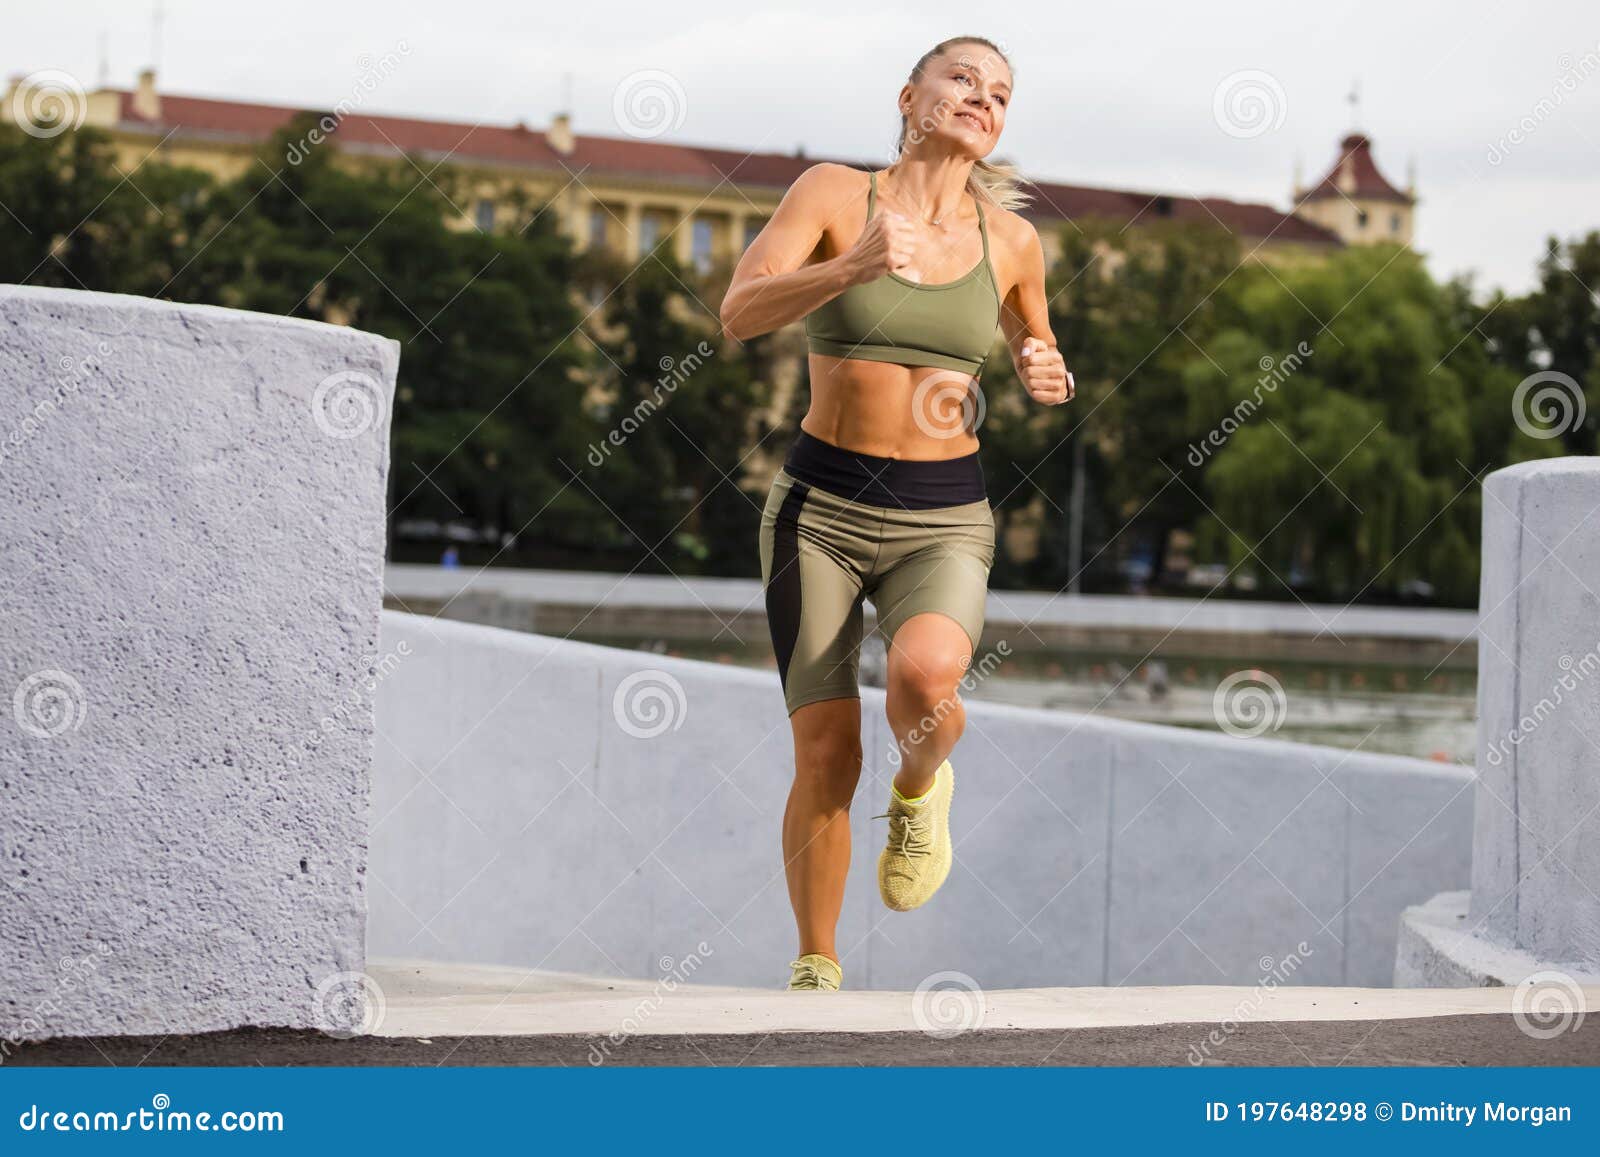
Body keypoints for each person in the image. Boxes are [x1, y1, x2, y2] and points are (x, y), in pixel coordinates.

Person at [718, 35, 1074, 991]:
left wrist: (1047, 366)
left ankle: (920, 791)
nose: (983, 98)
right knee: (827, 750)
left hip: (942, 514)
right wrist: (853, 266)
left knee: (926, 678)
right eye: (965, 78)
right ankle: (818, 962)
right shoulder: (835, 195)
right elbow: (739, 311)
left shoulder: (1012, 241)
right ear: (911, 95)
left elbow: (1037, 341)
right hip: (819, 512)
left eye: (1001, 93)